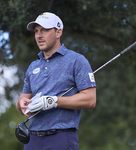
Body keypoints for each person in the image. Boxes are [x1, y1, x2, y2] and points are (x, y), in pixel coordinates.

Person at [15, 12, 96, 150]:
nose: (39, 35)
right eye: (36, 31)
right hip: (32, 140)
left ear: (58, 32)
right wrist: (20, 104)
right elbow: (23, 99)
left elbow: (90, 99)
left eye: (45, 30)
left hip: (61, 138)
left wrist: (52, 101)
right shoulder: (33, 66)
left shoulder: (77, 60)